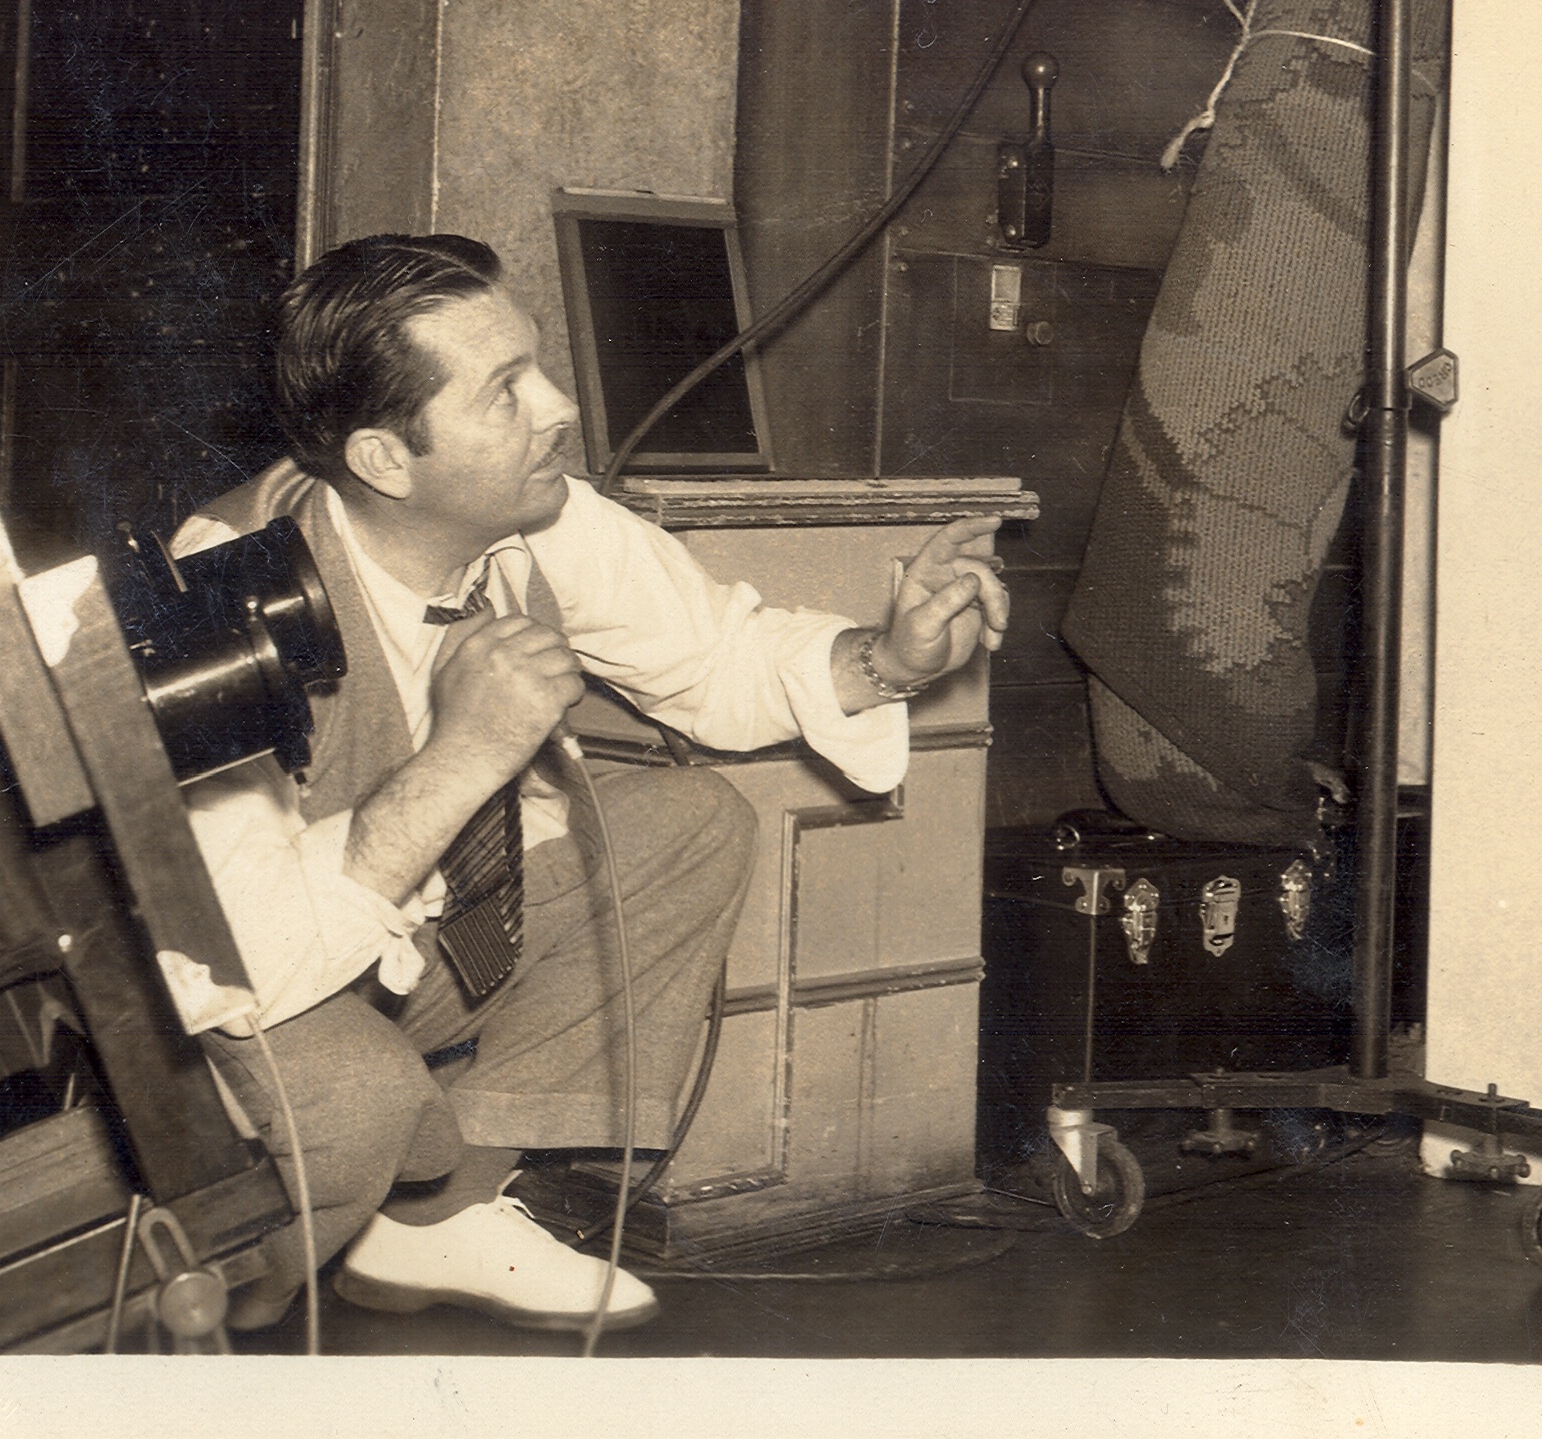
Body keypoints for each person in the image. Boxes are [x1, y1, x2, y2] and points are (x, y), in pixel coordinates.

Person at [172, 233, 1007, 1335]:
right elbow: (229, 961)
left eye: (539, 367)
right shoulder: (218, 595)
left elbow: (716, 658)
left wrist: (889, 659)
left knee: (687, 826)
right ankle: (185, 1314)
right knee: (358, 1109)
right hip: (236, 1000)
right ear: (384, 460)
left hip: (404, 942)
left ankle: (441, 1213)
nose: (560, 408)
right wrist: (465, 755)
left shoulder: (536, 518)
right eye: (506, 391)